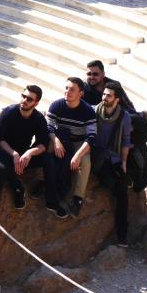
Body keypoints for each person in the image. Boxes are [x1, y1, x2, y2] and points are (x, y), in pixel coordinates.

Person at [0, 85, 49, 223]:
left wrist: (29, 153)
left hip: (22, 154)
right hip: (4, 150)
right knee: (2, 168)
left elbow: (43, 143)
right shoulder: (8, 112)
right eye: (23, 96)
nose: (25, 100)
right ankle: (4, 198)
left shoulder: (38, 118)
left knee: (49, 160)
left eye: (29, 99)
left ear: (36, 103)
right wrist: (14, 154)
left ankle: (50, 197)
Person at [44, 77, 97, 219]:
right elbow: (48, 127)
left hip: (79, 142)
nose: (67, 92)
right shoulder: (56, 105)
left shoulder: (88, 111)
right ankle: (42, 182)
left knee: (85, 162)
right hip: (60, 139)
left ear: (81, 93)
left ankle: (77, 198)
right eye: (66, 88)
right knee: (44, 150)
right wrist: (55, 141)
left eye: (72, 89)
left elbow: (91, 137)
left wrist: (78, 155)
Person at [92, 82, 133, 246]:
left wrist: (123, 162)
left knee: (122, 193)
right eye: (104, 94)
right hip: (98, 156)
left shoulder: (125, 117)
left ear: (117, 99)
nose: (104, 98)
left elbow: (125, 141)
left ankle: (122, 234)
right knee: (110, 183)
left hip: (114, 158)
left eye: (108, 95)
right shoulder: (95, 110)